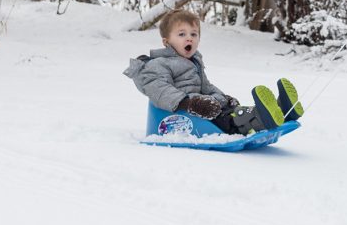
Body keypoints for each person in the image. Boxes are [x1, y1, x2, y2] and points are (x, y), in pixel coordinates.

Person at [124, 8, 303, 135]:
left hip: (205, 107)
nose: (189, 38)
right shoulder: (158, 65)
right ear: (166, 41)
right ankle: (259, 119)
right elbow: (160, 91)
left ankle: (280, 111)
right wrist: (190, 104)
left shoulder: (194, 62)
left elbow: (206, 87)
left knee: (232, 111)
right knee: (226, 120)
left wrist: (224, 98)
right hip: (182, 112)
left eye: (194, 34)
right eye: (182, 34)